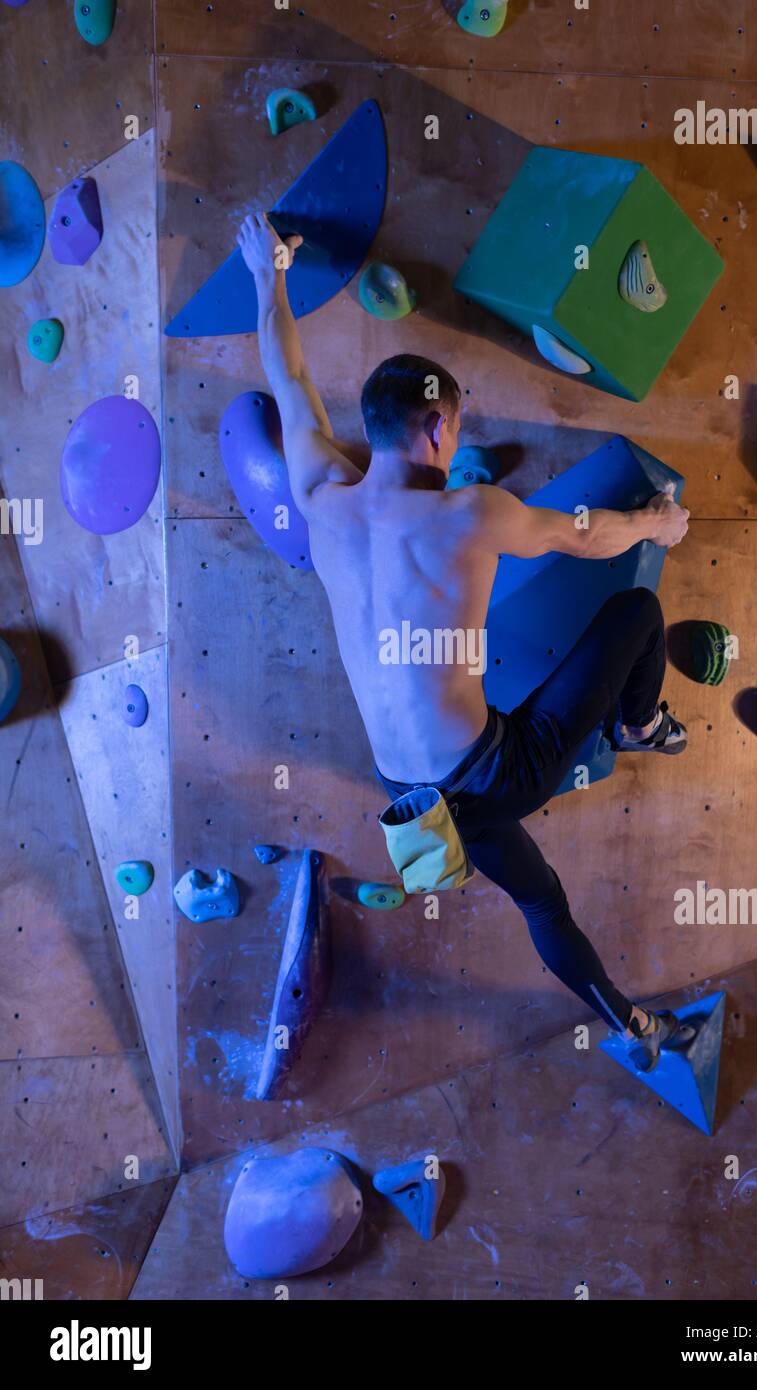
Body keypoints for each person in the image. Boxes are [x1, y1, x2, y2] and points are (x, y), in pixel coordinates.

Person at [238, 212, 694, 1070]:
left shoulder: (321, 494)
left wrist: (270, 277)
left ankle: (636, 1032)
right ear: (439, 431)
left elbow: (288, 377)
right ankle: (637, 729)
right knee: (636, 620)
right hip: (494, 768)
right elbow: (585, 533)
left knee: (543, 903)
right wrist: (657, 524)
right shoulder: (470, 514)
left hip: (409, 794)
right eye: (457, 426)